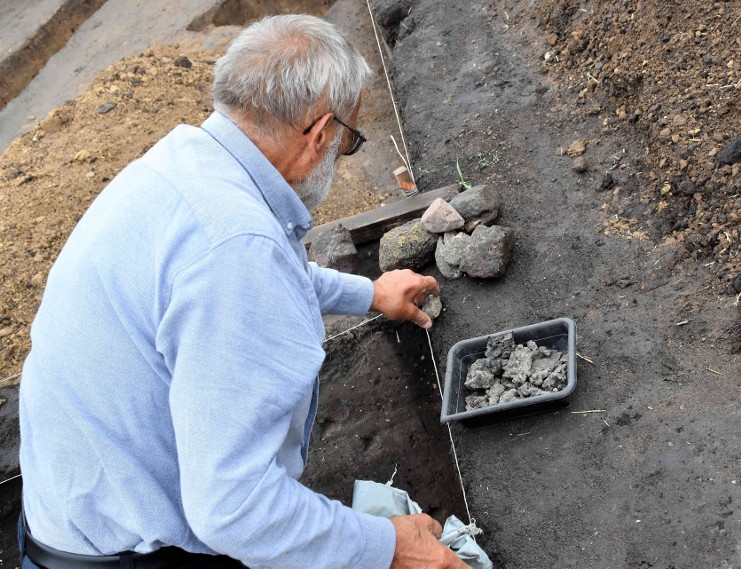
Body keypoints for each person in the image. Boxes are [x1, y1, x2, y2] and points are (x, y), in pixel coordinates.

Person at [18, 14, 470, 569]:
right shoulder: (235, 249)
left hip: (74, 511)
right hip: (134, 554)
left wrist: (368, 294)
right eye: (348, 142)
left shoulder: (186, 163)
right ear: (320, 133)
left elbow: (268, 271)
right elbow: (235, 509)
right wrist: (389, 546)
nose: (342, 152)